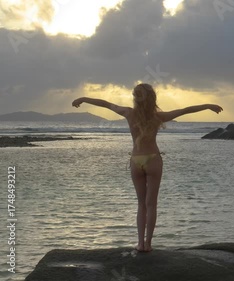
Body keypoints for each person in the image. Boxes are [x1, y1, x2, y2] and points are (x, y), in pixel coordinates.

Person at [72, 83, 223, 252]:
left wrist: (83, 98)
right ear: (153, 98)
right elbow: (186, 110)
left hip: (136, 160)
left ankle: (140, 243)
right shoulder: (158, 117)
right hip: (153, 160)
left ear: (135, 97)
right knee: (151, 204)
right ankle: (148, 244)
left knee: (141, 204)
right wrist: (208, 106)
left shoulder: (128, 113)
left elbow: (106, 104)